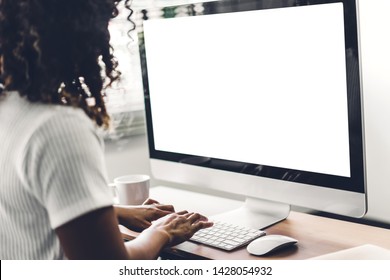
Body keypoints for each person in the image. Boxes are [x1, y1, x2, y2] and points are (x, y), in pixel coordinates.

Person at [0, 0, 213, 260]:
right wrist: (161, 233)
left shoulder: (8, 109)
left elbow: (27, 210)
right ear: (82, 30)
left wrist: (116, 212)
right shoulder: (57, 129)